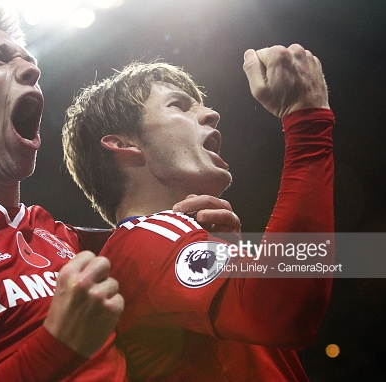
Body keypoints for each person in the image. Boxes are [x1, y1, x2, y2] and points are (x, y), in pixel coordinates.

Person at [0, 1, 239, 381]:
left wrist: (221, 251)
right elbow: (278, 304)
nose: (32, 69)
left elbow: (258, 289)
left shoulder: (68, 238)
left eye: (27, 61)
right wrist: (57, 347)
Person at [62, 45, 334, 380]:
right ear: (124, 145)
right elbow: (281, 311)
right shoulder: (141, 240)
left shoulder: (166, 242)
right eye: (179, 105)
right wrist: (307, 122)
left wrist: (233, 260)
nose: (210, 114)